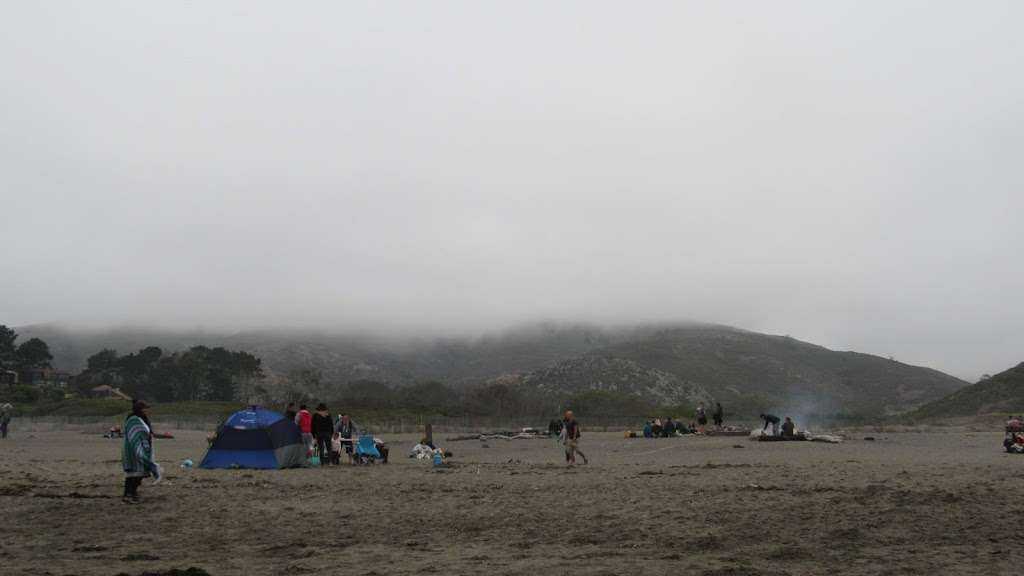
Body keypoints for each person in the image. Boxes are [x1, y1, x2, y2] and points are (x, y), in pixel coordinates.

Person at [122, 399, 160, 504]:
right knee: (133, 473)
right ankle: (128, 494)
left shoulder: (143, 418)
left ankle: (132, 493)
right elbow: (135, 432)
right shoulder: (133, 418)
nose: (147, 410)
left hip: (142, 448)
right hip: (134, 449)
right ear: (140, 409)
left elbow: (148, 430)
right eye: (145, 408)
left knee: (140, 473)